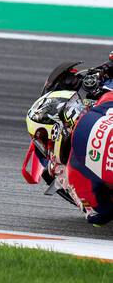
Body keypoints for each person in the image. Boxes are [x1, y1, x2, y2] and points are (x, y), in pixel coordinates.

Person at [24, 76, 113, 224]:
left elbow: (99, 216)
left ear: (55, 132)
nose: (47, 149)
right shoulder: (105, 102)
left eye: (45, 142)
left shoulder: (75, 173)